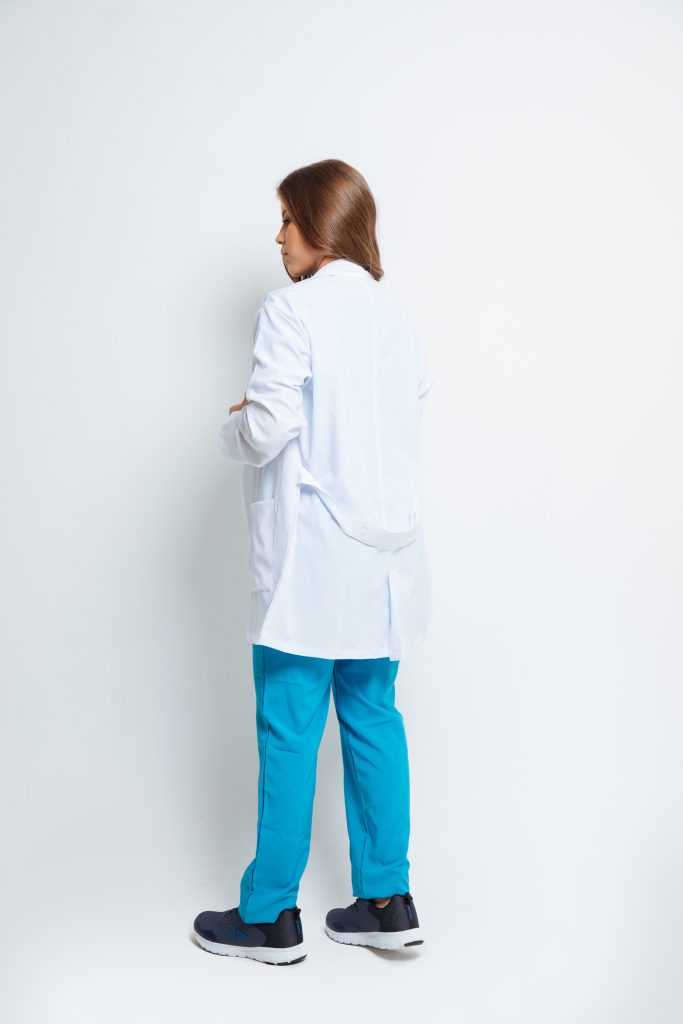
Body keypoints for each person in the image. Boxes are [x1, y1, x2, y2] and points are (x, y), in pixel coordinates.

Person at [193, 159, 433, 965]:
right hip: (385, 564)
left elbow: (266, 429)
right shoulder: (396, 318)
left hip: (312, 564)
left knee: (290, 730)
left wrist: (233, 425)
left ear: (321, 224)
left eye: (287, 220)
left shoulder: (290, 308)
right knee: (373, 718)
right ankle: (387, 901)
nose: (278, 237)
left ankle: (269, 915)